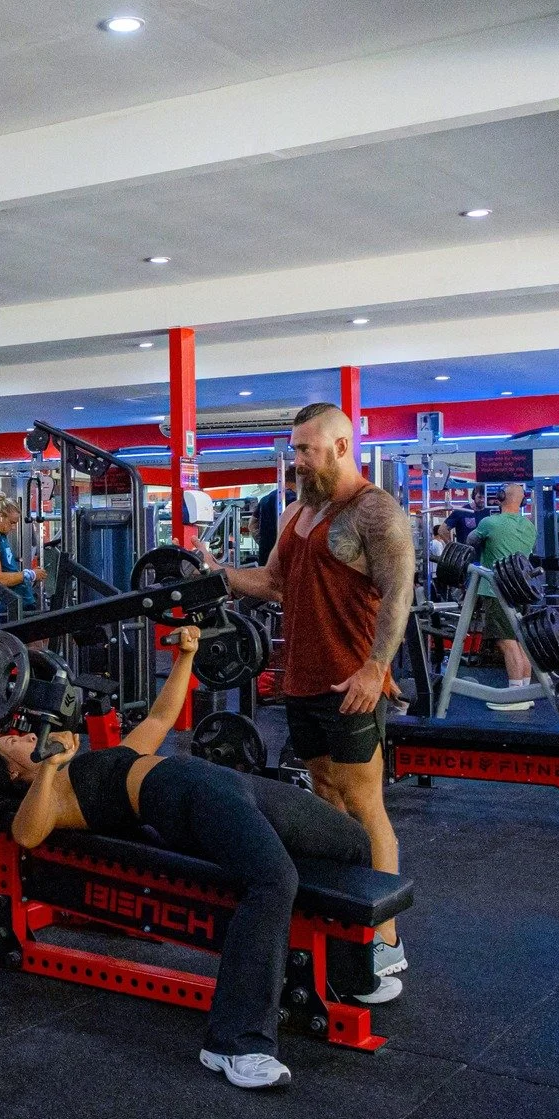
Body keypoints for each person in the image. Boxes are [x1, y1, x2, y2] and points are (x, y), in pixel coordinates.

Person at [0, 625, 376, 1091]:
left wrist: (187, 655)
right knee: (272, 880)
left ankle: (349, 977)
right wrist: (48, 766)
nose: (27, 737)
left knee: (351, 840)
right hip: (186, 800)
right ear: (12, 774)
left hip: (231, 785)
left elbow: (160, 719)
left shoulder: (95, 762)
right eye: (15, 744)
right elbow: (27, 834)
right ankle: (234, 1044)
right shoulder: (55, 798)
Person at [201, 401, 410, 984]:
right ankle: (339, 921)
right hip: (302, 679)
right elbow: (273, 582)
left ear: (341, 447)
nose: (296, 460)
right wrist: (217, 574)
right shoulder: (297, 512)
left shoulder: (375, 512)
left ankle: (384, 939)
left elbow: (399, 595)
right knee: (324, 797)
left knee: (364, 803)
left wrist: (375, 668)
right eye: (294, 449)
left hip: (351, 683)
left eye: (305, 449)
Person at [466, 483, 538, 708]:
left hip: (497, 589)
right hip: (522, 589)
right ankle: (524, 694)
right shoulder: (529, 526)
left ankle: (514, 696)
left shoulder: (490, 523)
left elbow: (470, 540)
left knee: (507, 643)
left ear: (499, 497)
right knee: (520, 642)